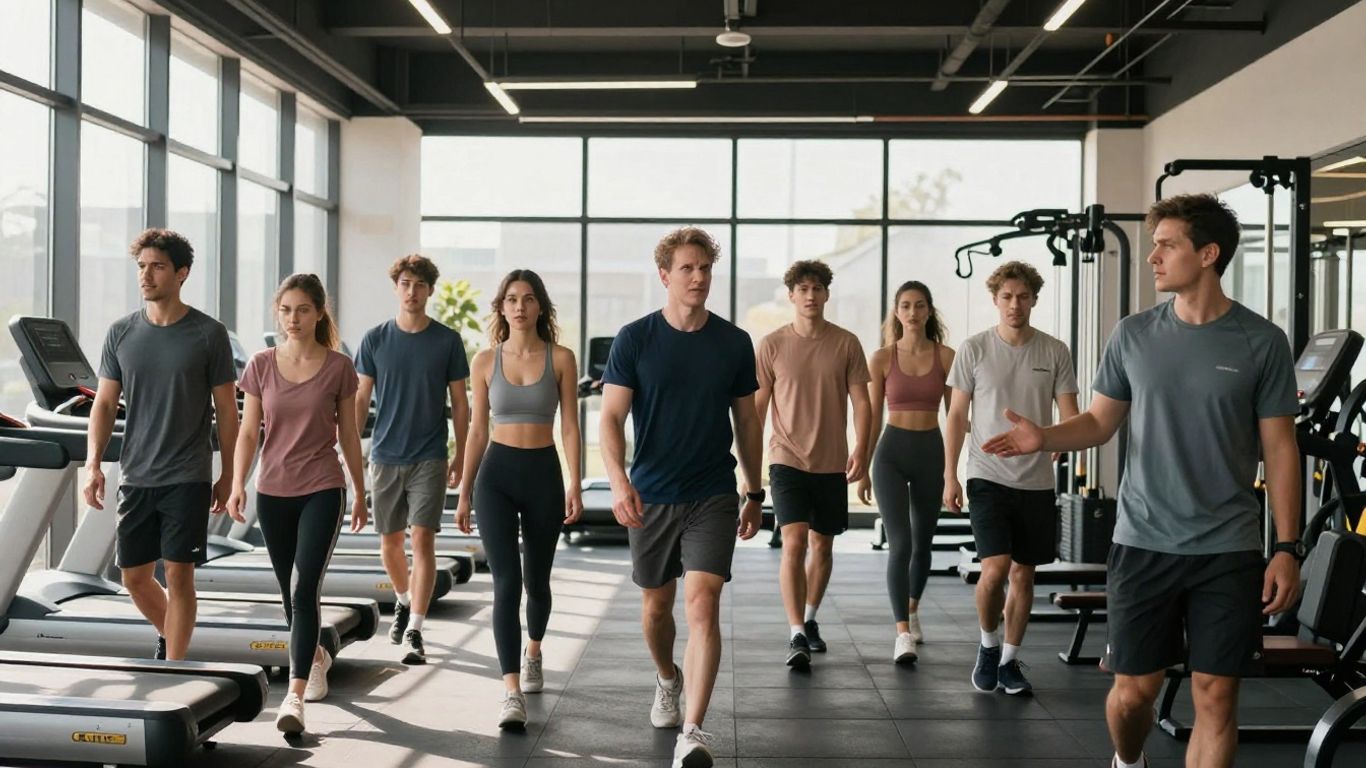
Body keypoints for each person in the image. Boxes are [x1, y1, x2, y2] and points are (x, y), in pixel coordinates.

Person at [982, 195, 1301, 768]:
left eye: (1167, 246)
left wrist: (1286, 547)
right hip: (1143, 542)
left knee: (1216, 696)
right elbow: (1099, 422)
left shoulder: (1262, 340)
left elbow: (1280, 448)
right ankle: (1128, 760)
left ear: (1208, 254)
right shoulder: (1133, 334)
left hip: (1227, 547)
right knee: (1133, 696)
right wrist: (1044, 437)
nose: (1153, 257)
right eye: (1153, 245)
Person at [600, 227, 763, 768]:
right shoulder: (635, 339)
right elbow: (611, 417)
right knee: (656, 607)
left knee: (703, 603)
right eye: (687, 268)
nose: (698, 277)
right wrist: (619, 482)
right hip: (651, 495)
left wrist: (755, 490)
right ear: (665, 276)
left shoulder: (734, 342)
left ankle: (692, 730)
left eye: (705, 268)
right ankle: (667, 677)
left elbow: (747, 421)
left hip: (712, 492)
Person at [83, 228, 239, 663]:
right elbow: (105, 403)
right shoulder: (121, 332)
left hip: (187, 475)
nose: (146, 275)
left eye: (157, 266)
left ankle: (175, 667)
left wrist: (228, 474)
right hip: (136, 474)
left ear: (181, 273)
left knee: (179, 575)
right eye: (141, 266)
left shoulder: (209, 333)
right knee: (133, 577)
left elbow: (227, 411)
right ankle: (171, 635)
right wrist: (93, 464)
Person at [228, 273, 366, 736]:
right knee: (290, 594)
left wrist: (359, 491)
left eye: (303, 309)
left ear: (319, 313)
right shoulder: (261, 364)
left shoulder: (339, 367)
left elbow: (349, 434)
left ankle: (294, 695)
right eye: (286, 310)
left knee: (305, 588)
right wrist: (237, 484)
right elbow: (249, 432)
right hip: (272, 492)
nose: (293, 318)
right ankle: (317, 654)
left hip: (322, 487)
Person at [455, 269, 584, 729]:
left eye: (528, 299)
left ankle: (533, 651)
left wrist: (575, 482)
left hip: (544, 474)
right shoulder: (484, 361)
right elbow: (476, 431)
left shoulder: (562, 358)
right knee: (506, 584)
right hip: (496, 477)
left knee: (537, 581)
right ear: (502, 307)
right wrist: (464, 491)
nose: (520, 306)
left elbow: (570, 426)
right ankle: (511, 691)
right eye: (512, 299)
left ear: (540, 306)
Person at [942, 261, 1078, 695]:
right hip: (986, 475)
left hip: (1036, 481)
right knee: (995, 568)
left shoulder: (1054, 351)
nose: (1015, 304)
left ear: (1034, 299)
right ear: (995, 300)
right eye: (1007, 297)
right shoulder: (974, 348)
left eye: (1022, 297)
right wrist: (950, 475)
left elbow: (1070, 414)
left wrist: (1060, 437)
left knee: (1023, 575)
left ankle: (1008, 660)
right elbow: (956, 415)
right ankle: (988, 645)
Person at [355, 254, 470, 665]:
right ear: (396, 288)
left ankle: (416, 630)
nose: (412, 291)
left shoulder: (447, 341)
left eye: (420, 285)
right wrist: (349, 449)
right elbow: (361, 398)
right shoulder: (375, 339)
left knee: (422, 540)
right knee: (389, 544)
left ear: (430, 291)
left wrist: (460, 453)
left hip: (430, 455)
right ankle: (403, 600)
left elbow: (460, 403)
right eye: (405, 284)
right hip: (385, 455)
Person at [756, 259, 871, 668]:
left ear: (826, 294)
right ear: (791, 295)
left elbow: (862, 403)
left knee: (822, 545)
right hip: (785, 458)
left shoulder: (846, 343)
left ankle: (809, 617)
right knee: (794, 541)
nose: (810, 295)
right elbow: (757, 408)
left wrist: (863, 450)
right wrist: (748, 464)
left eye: (817, 288)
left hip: (831, 461)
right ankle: (796, 633)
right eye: (802, 289)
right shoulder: (772, 344)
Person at [859, 281, 955, 664]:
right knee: (900, 544)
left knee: (922, 543)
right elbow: (871, 417)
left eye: (919, 305)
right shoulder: (882, 358)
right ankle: (902, 633)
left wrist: (954, 470)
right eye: (905, 306)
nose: (912, 312)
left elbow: (956, 417)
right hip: (891, 455)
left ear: (929, 310)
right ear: (896, 312)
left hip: (930, 452)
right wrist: (863, 466)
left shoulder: (947, 356)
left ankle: (912, 608)